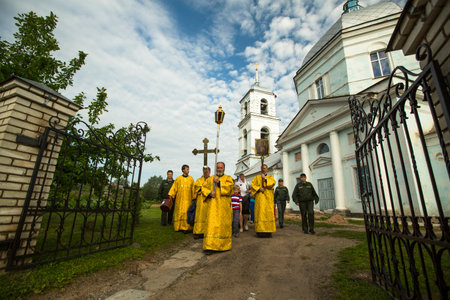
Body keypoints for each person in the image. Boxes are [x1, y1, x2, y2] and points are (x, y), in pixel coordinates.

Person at [202, 162, 234, 253]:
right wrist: (209, 193)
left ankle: (222, 245)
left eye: (221, 168)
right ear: (216, 168)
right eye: (218, 168)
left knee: (222, 226)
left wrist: (219, 183)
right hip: (213, 206)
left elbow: (230, 189)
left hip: (223, 207)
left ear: (224, 168)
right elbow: (204, 188)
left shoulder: (228, 178)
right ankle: (209, 246)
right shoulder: (210, 179)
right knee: (211, 225)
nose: (219, 169)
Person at [251, 164, 276, 237]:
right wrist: (259, 189)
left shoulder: (270, 177)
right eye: (262, 168)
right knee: (260, 214)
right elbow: (253, 185)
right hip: (260, 199)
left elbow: (272, 183)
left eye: (265, 168)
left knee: (268, 214)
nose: (263, 169)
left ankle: (268, 232)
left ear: (267, 169)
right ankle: (260, 231)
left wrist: (265, 178)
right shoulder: (256, 178)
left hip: (268, 199)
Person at [168, 164, 195, 233]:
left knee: (186, 213)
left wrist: (194, 197)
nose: (188, 170)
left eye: (188, 169)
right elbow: (174, 188)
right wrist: (171, 195)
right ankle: (178, 227)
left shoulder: (191, 179)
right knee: (179, 213)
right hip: (179, 200)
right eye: (187, 169)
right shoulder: (178, 179)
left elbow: (193, 189)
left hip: (188, 200)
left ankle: (186, 228)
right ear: (183, 170)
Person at [193, 166, 211, 239]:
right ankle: (198, 232)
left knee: (208, 216)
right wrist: (206, 191)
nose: (205, 173)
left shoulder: (212, 179)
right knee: (199, 216)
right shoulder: (199, 180)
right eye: (204, 172)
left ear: (209, 172)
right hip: (200, 200)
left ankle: (206, 232)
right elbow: (197, 188)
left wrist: (204, 189)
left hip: (209, 200)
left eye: (207, 172)